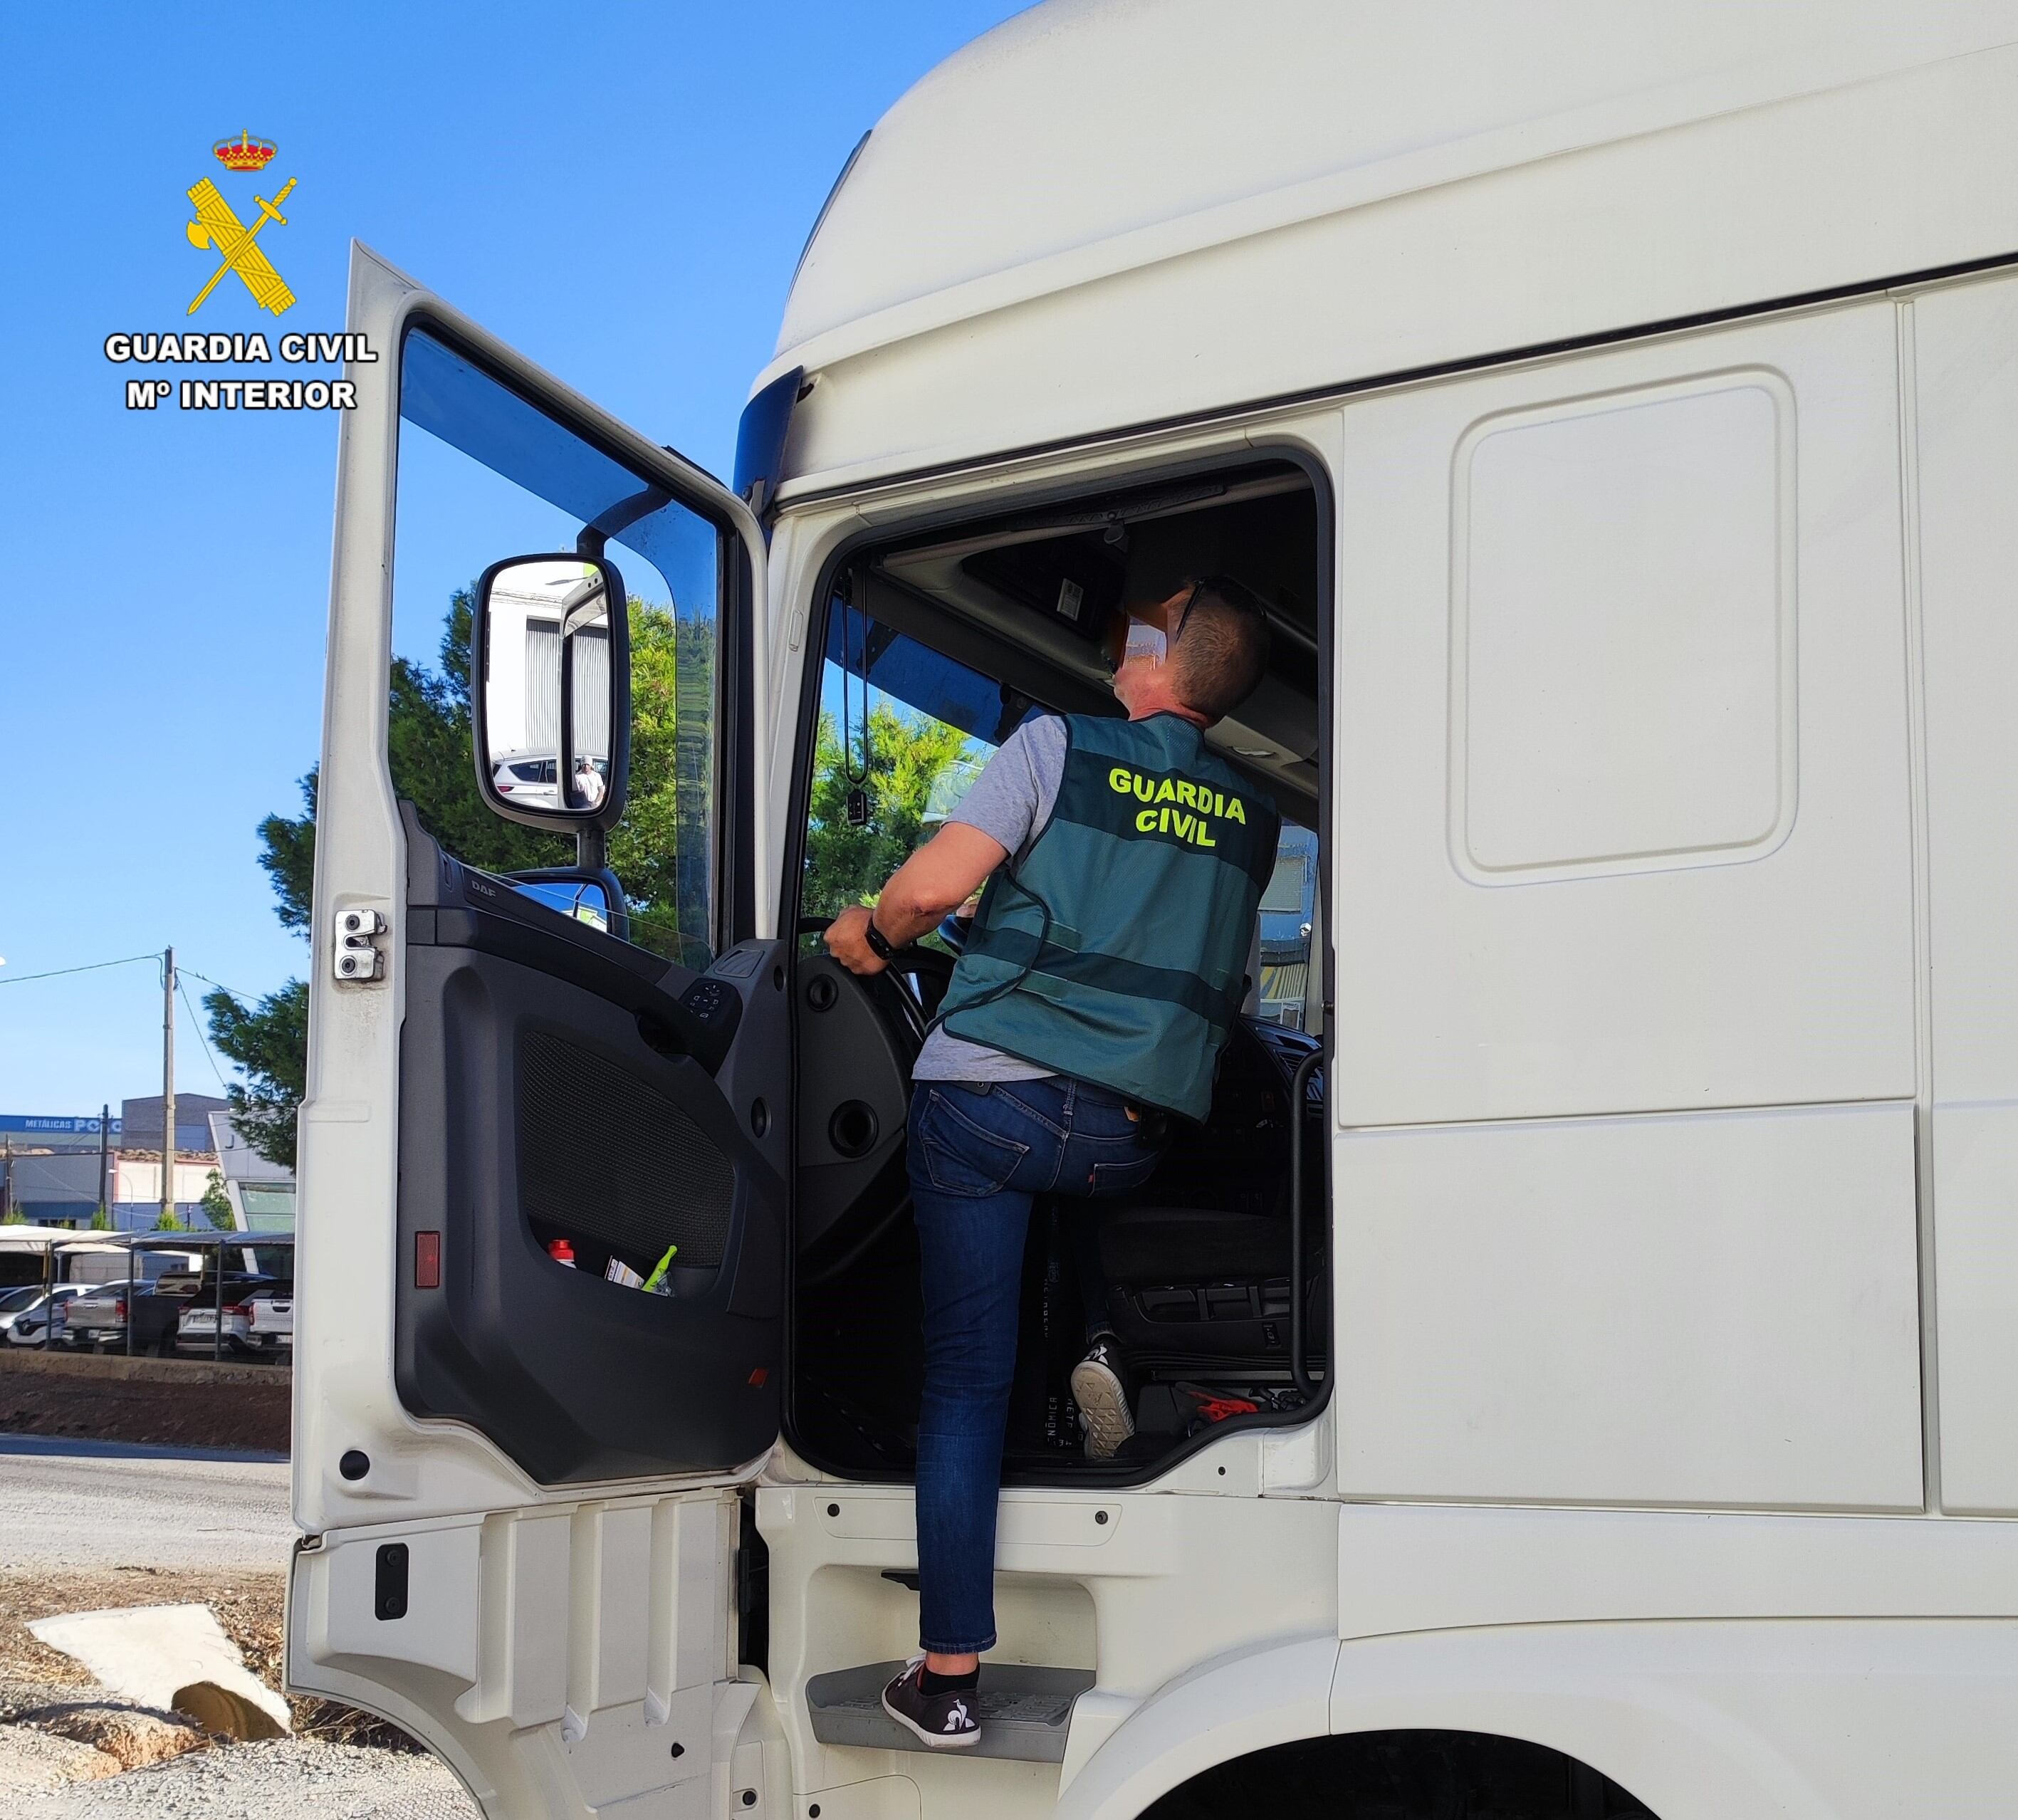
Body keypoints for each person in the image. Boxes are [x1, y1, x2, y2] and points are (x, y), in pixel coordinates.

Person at [824, 575, 1281, 1749]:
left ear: (1160, 656)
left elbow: (930, 889)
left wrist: (870, 938)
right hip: (1124, 1139)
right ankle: (1096, 1340)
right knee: (1078, 1169)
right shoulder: (1253, 813)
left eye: (1142, 623)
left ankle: (949, 1679)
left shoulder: (1057, 748)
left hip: (988, 1110)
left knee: (964, 1381)